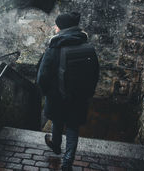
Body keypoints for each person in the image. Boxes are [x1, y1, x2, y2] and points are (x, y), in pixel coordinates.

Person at [36, 12, 99, 171]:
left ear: (62, 27)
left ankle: (56, 145)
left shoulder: (54, 47)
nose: (55, 28)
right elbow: (95, 73)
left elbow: (42, 76)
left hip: (57, 97)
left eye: (56, 25)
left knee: (57, 121)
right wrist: (87, 94)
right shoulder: (87, 46)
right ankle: (67, 162)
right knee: (72, 128)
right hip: (78, 98)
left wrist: (46, 93)